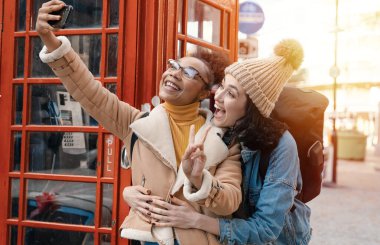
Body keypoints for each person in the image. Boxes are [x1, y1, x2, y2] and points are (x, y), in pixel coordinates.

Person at [36, 1, 242, 245]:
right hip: (150, 239)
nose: (174, 73)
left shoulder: (224, 139)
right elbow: (86, 90)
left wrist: (198, 179)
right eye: (174, 65)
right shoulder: (136, 122)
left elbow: (231, 200)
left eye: (188, 73)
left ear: (203, 93)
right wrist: (50, 39)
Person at [143, 39, 312, 245]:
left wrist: (196, 220)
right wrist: (132, 193)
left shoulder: (282, 146)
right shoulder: (218, 124)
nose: (218, 97)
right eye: (222, 86)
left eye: (231, 93)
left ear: (251, 109)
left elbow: (266, 229)